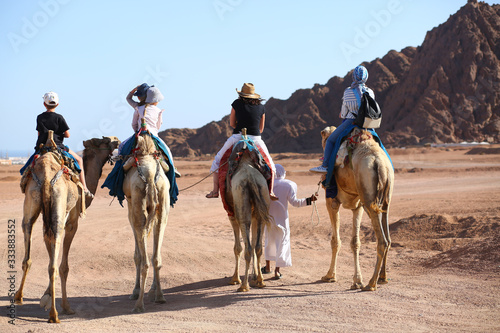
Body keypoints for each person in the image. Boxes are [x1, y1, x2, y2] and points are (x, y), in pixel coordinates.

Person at [101, 86, 179, 206]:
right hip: (153, 136)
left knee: (122, 147)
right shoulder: (158, 111)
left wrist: (137, 131)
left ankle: (117, 172)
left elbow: (133, 124)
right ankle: (173, 170)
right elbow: (158, 125)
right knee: (167, 151)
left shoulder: (138, 107)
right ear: (156, 100)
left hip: (138, 135)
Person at [206, 83, 277, 200]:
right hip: (256, 139)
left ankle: (215, 191)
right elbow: (261, 129)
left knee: (217, 162)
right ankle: (271, 192)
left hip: (238, 137)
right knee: (271, 166)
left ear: (242, 94)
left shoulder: (236, 103)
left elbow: (232, 124)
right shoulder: (261, 107)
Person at [20, 91, 93, 198]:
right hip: (58, 147)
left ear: (44, 104)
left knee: (28, 167)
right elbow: (67, 135)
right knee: (79, 160)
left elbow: (39, 134)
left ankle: (24, 183)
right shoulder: (59, 117)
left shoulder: (39, 117)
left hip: (42, 148)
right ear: (57, 104)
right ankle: (85, 188)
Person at [310, 65, 375, 174]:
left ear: (354, 77)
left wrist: (345, 113)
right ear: (366, 77)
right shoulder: (370, 92)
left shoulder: (348, 91)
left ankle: (325, 166)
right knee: (378, 144)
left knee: (330, 140)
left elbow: (344, 113)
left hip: (351, 122)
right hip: (367, 124)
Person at [262, 164, 317, 279]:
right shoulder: (289, 185)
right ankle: (277, 271)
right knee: (282, 243)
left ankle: (267, 267)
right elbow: (295, 203)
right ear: (283, 173)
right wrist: (309, 200)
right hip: (282, 219)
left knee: (269, 241)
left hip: (269, 218)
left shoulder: (266, 184)